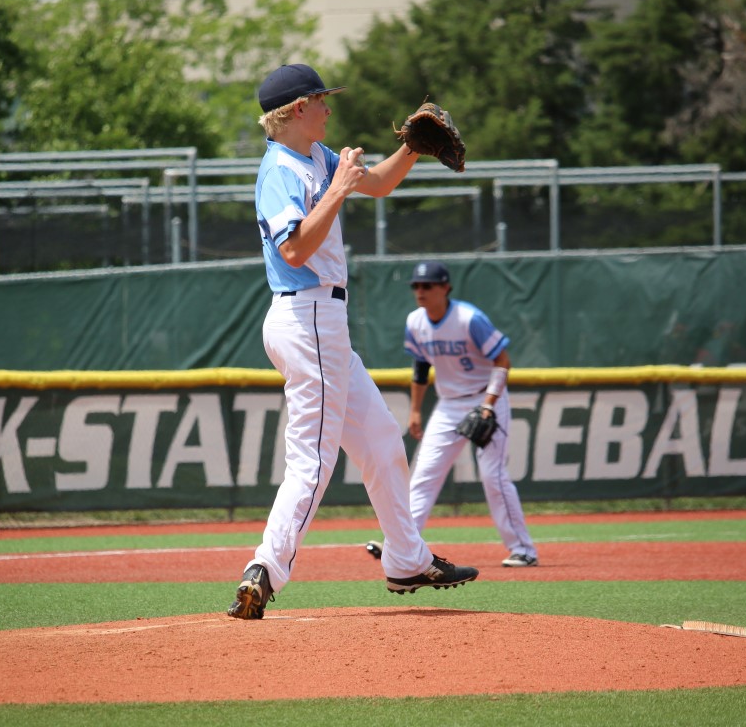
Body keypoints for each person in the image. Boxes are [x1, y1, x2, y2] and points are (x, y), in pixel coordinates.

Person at [227, 63, 478, 620]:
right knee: (313, 460)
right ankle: (264, 568)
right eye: (321, 100)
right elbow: (295, 251)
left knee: (383, 442)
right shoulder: (279, 171)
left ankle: (406, 560)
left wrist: (412, 148)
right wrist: (338, 190)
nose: (328, 108)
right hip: (306, 315)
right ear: (297, 109)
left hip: (324, 324)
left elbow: (381, 183)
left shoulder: (317, 157)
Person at [367, 261, 538, 567]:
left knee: (493, 475)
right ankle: (401, 544)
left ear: (445, 287)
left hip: (486, 399)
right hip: (448, 404)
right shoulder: (415, 321)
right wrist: (415, 411)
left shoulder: (469, 318)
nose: (420, 291)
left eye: (427, 285)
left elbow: (503, 361)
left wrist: (488, 403)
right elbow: (421, 368)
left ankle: (523, 549)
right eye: (416, 286)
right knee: (423, 474)